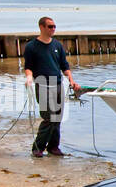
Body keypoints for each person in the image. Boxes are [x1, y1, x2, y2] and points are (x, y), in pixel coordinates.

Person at [22, 16, 81, 157]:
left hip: (58, 84)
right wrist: (29, 78)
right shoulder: (31, 46)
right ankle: (38, 148)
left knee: (57, 118)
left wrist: (72, 81)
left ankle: (54, 147)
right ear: (41, 27)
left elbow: (64, 66)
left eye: (54, 26)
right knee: (49, 117)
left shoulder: (57, 45)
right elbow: (28, 67)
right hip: (42, 84)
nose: (53, 29)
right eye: (50, 26)